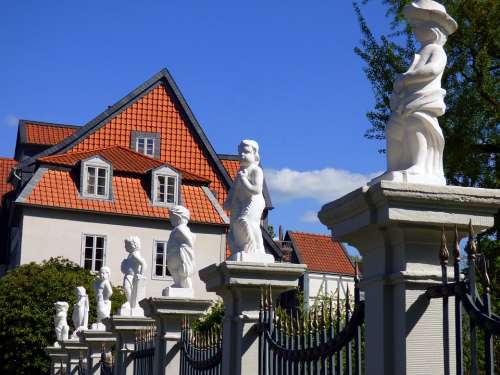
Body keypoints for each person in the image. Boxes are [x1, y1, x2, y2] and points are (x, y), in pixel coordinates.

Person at [224, 139, 266, 259]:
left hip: (255, 200)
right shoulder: (240, 172)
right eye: (240, 152)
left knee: (247, 221)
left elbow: (256, 190)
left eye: (246, 152)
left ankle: (257, 249)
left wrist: (244, 180)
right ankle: (243, 247)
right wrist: (228, 202)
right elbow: (234, 190)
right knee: (235, 223)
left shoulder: (256, 170)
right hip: (242, 201)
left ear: (254, 154)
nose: (242, 155)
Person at [166, 205, 195, 288]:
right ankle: (178, 284)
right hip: (174, 256)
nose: (170, 219)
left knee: (181, 273)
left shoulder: (180, 228)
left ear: (178, 217)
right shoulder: (178, 229)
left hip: (178, 256)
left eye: (171, 217)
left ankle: (182, 286)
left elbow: (189, 240)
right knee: (176, 272)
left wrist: (187, 245)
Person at [119, 236, 147, 315]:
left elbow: (143, 264)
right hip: (128, 276)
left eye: (126, 245)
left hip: (131, 277)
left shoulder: (135, 254)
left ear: (132, 245)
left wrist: (141, 275)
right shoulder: (131, 255)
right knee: (127, 289)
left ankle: (130, 303)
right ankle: (130, 302)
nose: (125, 247)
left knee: (127, 288)